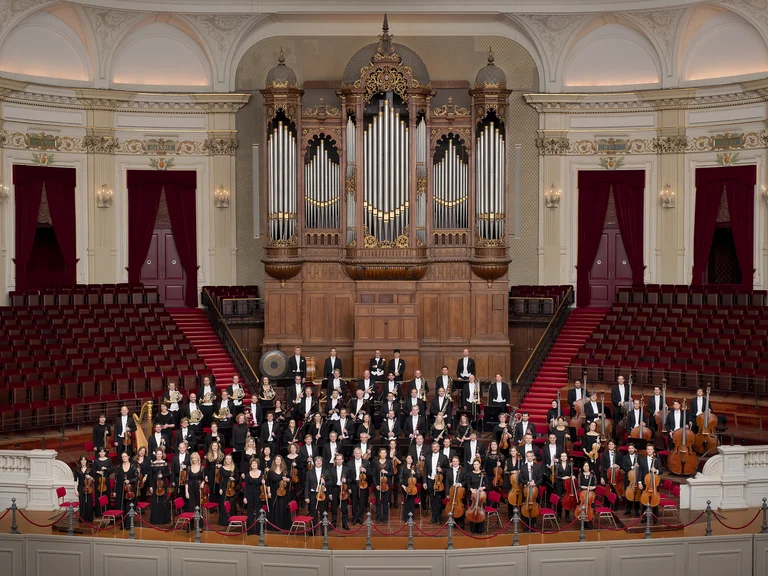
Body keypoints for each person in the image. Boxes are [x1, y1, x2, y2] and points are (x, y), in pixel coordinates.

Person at [424, 441, 448, 524]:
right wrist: (424, 482)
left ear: (439, 448)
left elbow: (447, 468)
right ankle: (433, 517)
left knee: (439, 500)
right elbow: (425, 470)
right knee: (432, 500)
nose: (435, 448)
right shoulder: (427, 457)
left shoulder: (444, 457)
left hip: (439, 481)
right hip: (430, 480)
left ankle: (439, 518)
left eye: (436, 447)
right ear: (431, 448)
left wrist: (442, 470)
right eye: (433, 447)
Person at [639, 444, 662, 522]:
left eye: (651, 449)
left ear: (653, 451)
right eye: (648, 449)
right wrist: (639, 482)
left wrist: (656, 471)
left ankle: (655, 518)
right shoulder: (642, 460)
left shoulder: (657, 460)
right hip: (646, 484)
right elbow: (640, 472)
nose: (649, 451)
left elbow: (661, 471)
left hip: (654, 484)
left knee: (655, 503)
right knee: (644, 502)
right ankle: (644, 517)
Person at [519, 450, 542, 530]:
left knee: (534, 507)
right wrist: (528, 482)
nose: (529, 458)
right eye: (527, 456)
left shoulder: (538, 467)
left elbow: (541, 479)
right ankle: (525, 525)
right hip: (526, 490)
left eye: (530, 456)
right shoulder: (523, 467)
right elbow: (520, 478)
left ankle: (532, 524)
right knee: (525, 506)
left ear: (533, 457)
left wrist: (534, 483)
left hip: (535, 490)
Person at [114, 451, 137, 529]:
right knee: (122, 507)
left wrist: (129, 481)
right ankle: (123, 525)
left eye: (125, 456)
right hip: (120, 489)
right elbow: (116, 480)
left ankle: (129, 525)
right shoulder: (119, 467)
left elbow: (136, 478)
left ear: (128, 457)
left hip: (130, 490)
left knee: (129, 507)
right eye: (122, 457)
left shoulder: (133, 466)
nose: (124, 458)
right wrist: (114, 491)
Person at [268, 455, 292, 531]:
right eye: (276, 459)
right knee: (274, 508)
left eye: (279, 459)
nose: (278, 461)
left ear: (281, 461)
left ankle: (283, 525)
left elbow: (290, 479)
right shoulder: (270, 471)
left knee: (283, 507)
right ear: (274, 461)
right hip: (274, 492)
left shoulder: (285, 470)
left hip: (284, 493)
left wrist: (287, 479)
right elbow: (268, 483)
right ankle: (274, 526)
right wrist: (269, 493)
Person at [305, 456, 329, 528]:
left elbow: (331, 482)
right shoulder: (309, 472)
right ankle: (313, 529)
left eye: (320, 461)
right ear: (314, 462)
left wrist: (325, 482)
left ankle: (323, 529)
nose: (318, 462)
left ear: (322, 462)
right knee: (313, 512)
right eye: (317, 461)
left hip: (323, 494)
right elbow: (307, 485)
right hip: (313, 494)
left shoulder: (327, 471)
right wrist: (306, 497)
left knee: (323, 512)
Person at [348, 447, 370, 525]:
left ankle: (360, 517)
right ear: (354, 454)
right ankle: (355, 517)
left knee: (362, 501)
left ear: (361, 454)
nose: (357, 454)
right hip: (354, 484)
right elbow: (348, 477)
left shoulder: (366, 462)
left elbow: (370, 473)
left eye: (359, 453)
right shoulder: (349, 463)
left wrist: (365, 470)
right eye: (356, 453)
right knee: (354, 501)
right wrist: (349, 487)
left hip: (363, 484)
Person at [444, 455, 467, 528]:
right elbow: (447, 483)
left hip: (460, 491)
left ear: (459, 462)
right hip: (452, 491)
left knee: (460, 506)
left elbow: (466, 481)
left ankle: (461, 523)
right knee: (452, 506)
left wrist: (460, 484)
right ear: (452, 462)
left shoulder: (462, 470)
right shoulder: (449, 471)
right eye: (453, 461)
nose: (455, 463)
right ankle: (454, 521)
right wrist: (447, 493)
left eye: (456, 461)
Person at [149, 448, 171, 525]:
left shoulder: (165, 463)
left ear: (162, 455)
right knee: (155, 501)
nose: (159, 455)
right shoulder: (153, 463)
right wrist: (151, 486)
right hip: (155, 485)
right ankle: (155, 520)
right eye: (157, 454)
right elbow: (151, 476)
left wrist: (163, 475)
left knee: (163, 502)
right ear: (155, 454)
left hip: (162, 484)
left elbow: (168, 474)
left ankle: (164, 520)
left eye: (160, 454)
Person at [328, 452, 349, 530]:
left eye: (340, 459)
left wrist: (346, 480)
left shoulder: (347, 469)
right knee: (334, 507)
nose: (339, 461)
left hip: (343, 489)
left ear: (343, 460)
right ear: (335, 461)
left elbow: (350, 479)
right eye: (337, 459)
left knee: (344, 507)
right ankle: (333, 523)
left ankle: (344, 523)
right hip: (334, 489)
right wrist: (330, 493)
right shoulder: (331, 469)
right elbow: (329, 482)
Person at [373, 448, 394, 522]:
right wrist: (376, 485)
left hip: (387, 485)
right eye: (381, 453)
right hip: (378, 485)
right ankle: (378, 517)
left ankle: (385, 517)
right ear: (379, 454)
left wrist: (386, 472)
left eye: (384, 453)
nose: (383, 454)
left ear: (386, 454)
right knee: (378, 502)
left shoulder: (389, 462)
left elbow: (392, 473)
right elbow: (374, 475)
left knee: (386, 502)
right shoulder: (376, 463)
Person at [243, 457, 263, 535]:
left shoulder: (262, 473)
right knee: (250, 513)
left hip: (259, 495)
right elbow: (246, 487)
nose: (254, 465)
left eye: (255, 463)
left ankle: (258, 531)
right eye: (252, 463)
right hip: (250, 495)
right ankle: (250, 530)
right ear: (250, 465)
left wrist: (263, 483)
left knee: (258, 512)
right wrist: (245, 497)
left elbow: (263, 486)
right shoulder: (248, 474)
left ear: (257, 465)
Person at [467, 458, 486, 534]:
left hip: (481, 496)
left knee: (480, 510)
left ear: (480, 465)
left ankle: (480, 528)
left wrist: (483, 487)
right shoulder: (470, 473)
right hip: (473, 495)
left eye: (477, 464)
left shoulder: (483, 474)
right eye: (474, 464)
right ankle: (473, 527)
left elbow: (488, 485)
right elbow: (468, 484)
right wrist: (471, 489)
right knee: (472, 510)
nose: (476, 466)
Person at [73, 455, 94, 523]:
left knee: (88, 503)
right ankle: (82, 519)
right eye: (82, 460)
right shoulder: (77, 469)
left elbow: (94, 480)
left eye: (84, 460)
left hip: (89, 488)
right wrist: (76, 490)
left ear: (86, 461)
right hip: (81, 487)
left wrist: (90, 477)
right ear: (80, 461)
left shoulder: (90, 469)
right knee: (82, 503)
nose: (83, 461)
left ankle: (89, 518)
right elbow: (75, 480)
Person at [218, 453, 238, 526]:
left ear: (231, 460)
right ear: (225, 460)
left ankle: (232, 519)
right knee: (224, 503)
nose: (228, 460)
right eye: (227, 459)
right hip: (224, 487)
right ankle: (224, 520)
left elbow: (238, 478)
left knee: (232, 503)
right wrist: (220, 488)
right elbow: (220, 479)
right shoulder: (221, 468)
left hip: (231, 487)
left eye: (229, 459)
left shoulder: (234, 468)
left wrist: (234, 479)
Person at [93, 446, 113, 515]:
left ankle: (106, 510)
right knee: (99, 496)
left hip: (106, 480)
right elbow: (93, 471)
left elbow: (111, 470)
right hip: (98, 481)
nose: (102, 453)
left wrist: (106, 469)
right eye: (100, 452)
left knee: (106, 495)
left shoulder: (109, 460)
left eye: (103, 452)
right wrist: (98, 472)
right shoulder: (96, 461)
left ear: (105, 452)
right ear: (98, 453)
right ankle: (99, 512)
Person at [400, 453, 420, 523]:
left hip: (413, 487)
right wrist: (403, 486)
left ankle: (411, 517)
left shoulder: (415, 467)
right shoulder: (403, 467)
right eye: (408, 458)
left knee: (411, 502)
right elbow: (400, 478)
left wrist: (414, 473)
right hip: (405, 487)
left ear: (412, 459)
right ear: (406, 459)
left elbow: (418, 477)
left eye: (411, 458)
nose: (409, 459)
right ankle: (406, 517)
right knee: (406, 502)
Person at [623, 443, 642, 516]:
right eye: (629, 448)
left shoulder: (639, 457)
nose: (631, 450)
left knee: (637, 495)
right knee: (628, 494)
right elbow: (623, 467)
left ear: (634, 449)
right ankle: (628, 510)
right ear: (628, 449)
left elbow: (642, 467)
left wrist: (638, 466)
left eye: (632, 448)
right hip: (629, 479)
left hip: (637, 478)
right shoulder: (625, 457)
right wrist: (632, 467)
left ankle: (637, 510)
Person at [555, 452, 574, 521]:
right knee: (560, 499)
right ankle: (559, 515)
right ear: (560, 457)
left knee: (567, 499)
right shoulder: (558, 465)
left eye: (565, 456)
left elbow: (572, 474)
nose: (563, 457)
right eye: (562, 456)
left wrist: (571, 477)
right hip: (559, 484)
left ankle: (567, 515)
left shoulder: (570, 465)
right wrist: (562, 478)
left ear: (566, 457)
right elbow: (556, 476)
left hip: (568, 484)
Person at [205, 441, 224, 506]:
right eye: (213, 446)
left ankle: (219, 505)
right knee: (212, 489)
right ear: (211, 447)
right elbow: (207, 467)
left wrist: (221, 466)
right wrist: (206, 475)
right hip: (211, 474)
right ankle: (212, 505)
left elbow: (224, 465)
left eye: (216, 446)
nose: (214, 447)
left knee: (218, 488)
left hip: (219, 474)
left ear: (218, 446)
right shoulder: (208, 455)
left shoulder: (222, 455)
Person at [579, 461, 597, 525]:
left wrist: (591, 488)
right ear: (583, 467)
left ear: (589, 467)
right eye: (584, 466)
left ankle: (590, 521)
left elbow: (595, 485)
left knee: (591, 506)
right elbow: (579, 485)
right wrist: (586, 487)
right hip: (583, 493)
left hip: (591, 493)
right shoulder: (580, 474)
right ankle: (583, 522)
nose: (586, 467)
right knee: (583, 506)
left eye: (587, 466)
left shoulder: (593, 474)